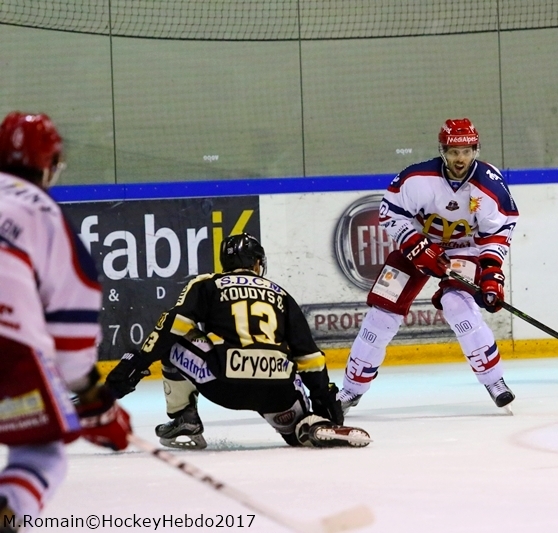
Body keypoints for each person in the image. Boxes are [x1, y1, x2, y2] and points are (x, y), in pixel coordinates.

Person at [104, 233, 370, 449]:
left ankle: (184, 418)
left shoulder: (208, 284)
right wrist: (325, 400)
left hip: (224, 386)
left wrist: (136, 364)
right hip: (276, 390)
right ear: (256, 263)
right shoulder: (281, 294)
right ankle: (309, 425)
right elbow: (309, 357)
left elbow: (172, 327)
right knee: (298, 423)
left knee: (175, 341)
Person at [0, 112, 131, 532]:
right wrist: (98, 407)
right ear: (49, 165)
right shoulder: (42, 210)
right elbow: (71, 341)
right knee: (40, 454)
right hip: (8, 345)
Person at [336, 118, 520, 413]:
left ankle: (494, 380)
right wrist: (414, 243)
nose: (461, 159)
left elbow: (497, 232)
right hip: (416, 248)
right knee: (382, 312)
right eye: (453, 152)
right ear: (442, 150)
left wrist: (491, 274)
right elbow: (389, 214)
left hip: (465, 249)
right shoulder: (416, 178)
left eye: (467, 151)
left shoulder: (489, 185)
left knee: (457, 304)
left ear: (476, 149)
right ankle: (351, 389)